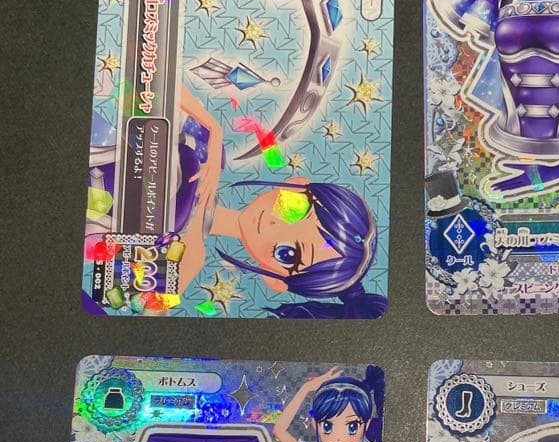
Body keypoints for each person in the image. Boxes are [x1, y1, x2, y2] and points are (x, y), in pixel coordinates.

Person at [87, 87, 385, 317]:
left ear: (275, 282)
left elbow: (129, 307)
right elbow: (153, 83)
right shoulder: (207, 152)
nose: (273, 223)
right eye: (295, 209)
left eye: (287, 253)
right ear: (298, 183)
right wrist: (214, 131)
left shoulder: (190, 257)